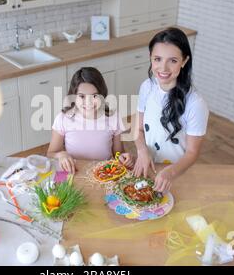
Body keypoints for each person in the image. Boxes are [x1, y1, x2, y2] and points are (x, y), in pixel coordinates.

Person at [133, 27, 209, 193]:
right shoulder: (147, 87)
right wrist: (141, 151)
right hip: (148, 170)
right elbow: (138, 129)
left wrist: (171, 173)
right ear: (150, 58)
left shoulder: (196, 103)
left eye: (173, 60)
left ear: (184, 61)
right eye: (158, 59)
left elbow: (192, 153)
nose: (163, 68)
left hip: (176, 176)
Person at [47, 67, 134, 173]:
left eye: (94, 96)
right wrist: (61, 154)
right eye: (82, 96)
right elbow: (51, 154)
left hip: (104, 174)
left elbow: (118, 154)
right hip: (75, 173)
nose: (88, 102)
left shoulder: (113, 118)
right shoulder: (63, 119)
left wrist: (124, 158)